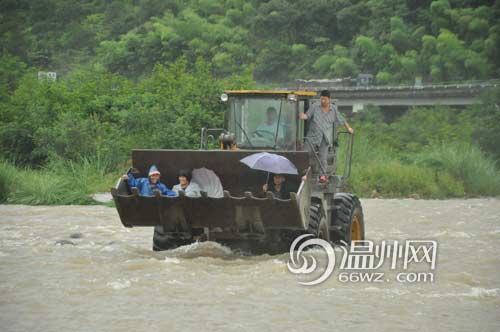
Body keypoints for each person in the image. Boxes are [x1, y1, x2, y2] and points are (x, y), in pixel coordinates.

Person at [299, 90, 354, 183]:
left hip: (325, 138)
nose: (323, 101)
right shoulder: (315, 106)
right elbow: (307, 116)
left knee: (323, 157)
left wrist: (349, 128)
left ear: (329, 99)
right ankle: (302, 173)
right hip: (313, 136)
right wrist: (303, 116)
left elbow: (342, 120)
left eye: (325, 99)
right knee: (305, 154)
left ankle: (322, 176)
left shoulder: (333, 109)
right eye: (321, 99)